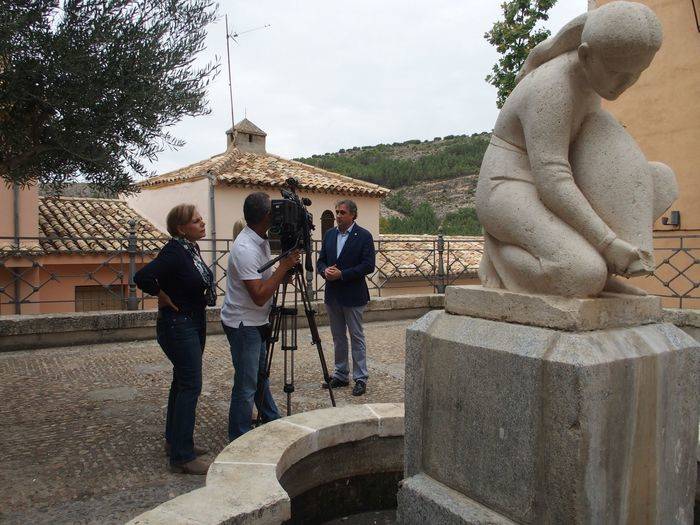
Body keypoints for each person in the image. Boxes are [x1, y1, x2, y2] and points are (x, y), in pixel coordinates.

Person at [475, 1, 675, 298]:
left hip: (554, 184)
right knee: (581, 274)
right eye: (616, 72)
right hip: (508, 187)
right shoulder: (552, 88)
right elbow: (552, 180)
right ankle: (498, 252)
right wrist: (607, 242)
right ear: (585, 54)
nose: (625, 84)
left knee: (661, 182)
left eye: (635, 74)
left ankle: (599, 273)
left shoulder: (592, 78)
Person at [134, 204, 216, 475]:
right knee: (191, 384)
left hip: (192, 319)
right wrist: (160, 294)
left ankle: (175, 441)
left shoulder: (189, 248)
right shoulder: (174, 251)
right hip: (178, 323)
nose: (202, 223)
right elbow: (143, 276)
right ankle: (182, 456)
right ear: (181, 228)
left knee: (181, 383)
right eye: (196, 221)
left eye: (201, 219)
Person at [221, 192, 300, 441]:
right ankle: (239, 438)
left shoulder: (260, 239)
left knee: (259, 377)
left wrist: (282, 274)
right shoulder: (245, 248)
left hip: (257, 321)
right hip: (244, 323)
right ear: (267, 216)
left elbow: (266, 278)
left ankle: (271, 419)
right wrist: (283, 268)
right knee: (246, 386)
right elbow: (259, 295)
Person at [317, 199, 375, 396]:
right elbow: (321, 261)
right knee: (338, 337)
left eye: (342, 212)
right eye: (337, 212)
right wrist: (324, 271)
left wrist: (343, 274)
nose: (338, 216)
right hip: (333, 295)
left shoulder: (364, 236)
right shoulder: (329, 235)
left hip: (353, 294)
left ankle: (360, 378)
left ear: (353, 215)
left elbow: (368, 266)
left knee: (356, 337)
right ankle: (341, 375)